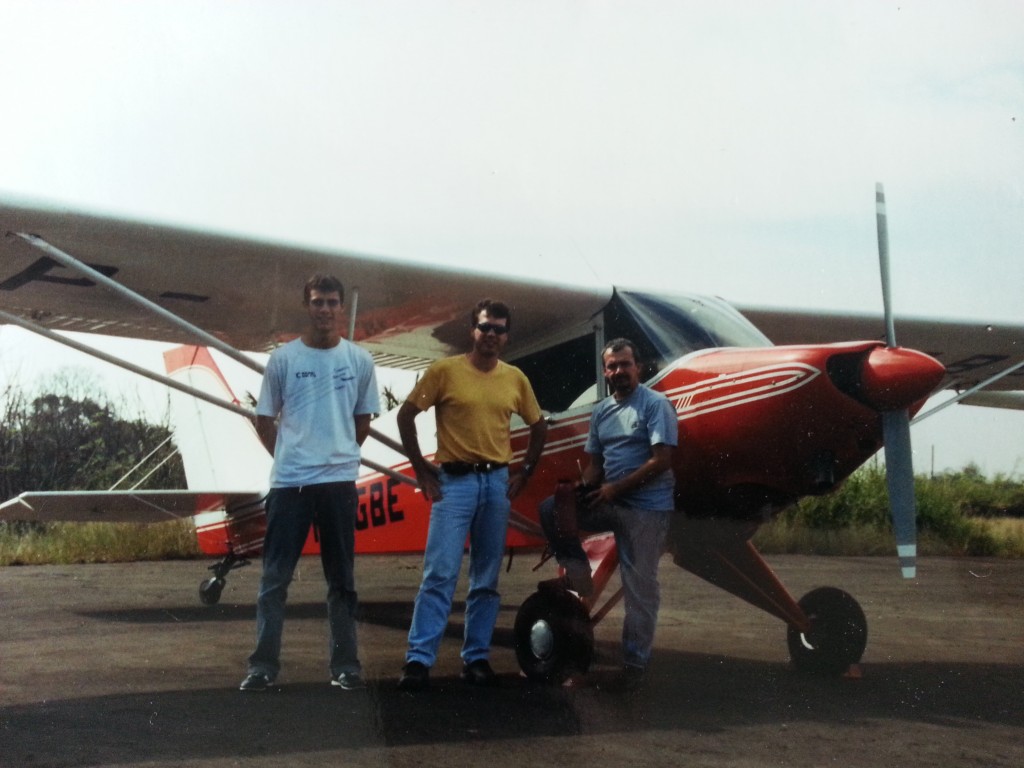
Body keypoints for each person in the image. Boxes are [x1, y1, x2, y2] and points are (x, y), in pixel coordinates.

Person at [396, 298, 548, 690]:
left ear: (506, 336)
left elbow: (538, 425)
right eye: (485, 328)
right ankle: (418, 660)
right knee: (440, 573)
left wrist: (525, 471)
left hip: (496, 484)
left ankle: (476, 658)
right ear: (472, 331)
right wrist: (420, 467)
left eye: (499, 329)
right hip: (455, 483)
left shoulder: (515, 378)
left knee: (485, 578)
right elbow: (406, 415)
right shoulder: (444, 371)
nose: (491, 336)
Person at [239, 274, 380, 692]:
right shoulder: (283, 360)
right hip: (290, 485)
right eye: (317, 301)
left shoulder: (359, 361)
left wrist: (336, 457)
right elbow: (264, 418)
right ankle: (262, 665)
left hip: (337, 484)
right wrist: (290, 457)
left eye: (332, 302)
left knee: (342, 580)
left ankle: (345, 666)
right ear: (307, 306)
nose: (325, 309)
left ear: (341, 308)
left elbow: (362, 420)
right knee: (275, 579)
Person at [538, 337, 677, 688]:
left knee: (641, 588)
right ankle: (578, 570)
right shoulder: (602, 411)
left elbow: (662, 461)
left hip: (647, 509)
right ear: (605, 371)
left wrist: (615, 489)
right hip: (610, 501)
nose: (619, 371)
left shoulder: (655, 404)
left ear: (638, 367)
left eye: (625, 364)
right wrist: (584, 488)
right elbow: (595, 465)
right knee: (553, 507)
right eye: (612, 366)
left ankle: (634, 665)